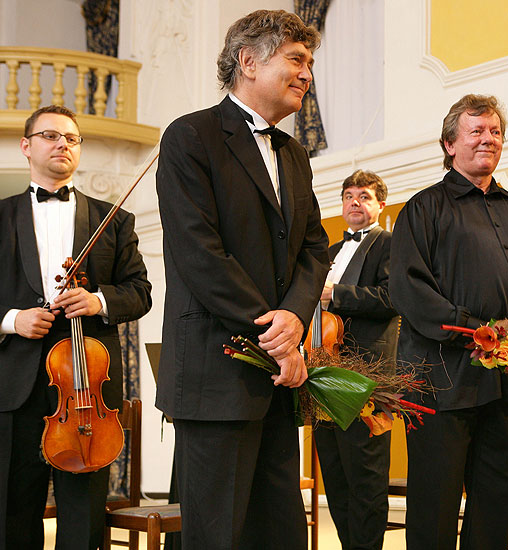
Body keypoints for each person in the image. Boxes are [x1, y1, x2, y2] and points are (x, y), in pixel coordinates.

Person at [155, 9, 330, 550]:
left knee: (279, 532)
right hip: (217, 370)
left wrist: (295, 318)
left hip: (278, 377)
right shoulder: (191, 136)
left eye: (310, 63)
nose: (306, 73)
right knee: (216, 537)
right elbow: (199, 252)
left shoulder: (294, 152)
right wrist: (274, 330)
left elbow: (314, 247)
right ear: (248, 61)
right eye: (296, 60)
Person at [389, 94, 508, 550]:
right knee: (435, 505)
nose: (488, 139)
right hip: (442, 384)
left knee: (497, 502)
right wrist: (477, 330)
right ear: (449, 144)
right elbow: (410, 291)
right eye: (476, 131)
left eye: (496, 132)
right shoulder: (422, 208)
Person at [0, 105, 152, 550]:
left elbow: (139, 292)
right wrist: (12, 320)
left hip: (86, 387)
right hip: (16, 385)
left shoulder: (115, 219)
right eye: (50, 135)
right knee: (12, 506)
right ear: (26, 146)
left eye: (71, 138)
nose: (62, 143)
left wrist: (97, 299)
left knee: (84, 512)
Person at [313, 170, 399, 550]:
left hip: (368, 374)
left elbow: (393, 298)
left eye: (364, 196)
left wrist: (338, 295)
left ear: (380, 204)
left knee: (365, 474)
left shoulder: (390, 245)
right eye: (348, 195)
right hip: (323, 374)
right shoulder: (329, 253)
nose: (354, 202)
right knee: (334, 471)